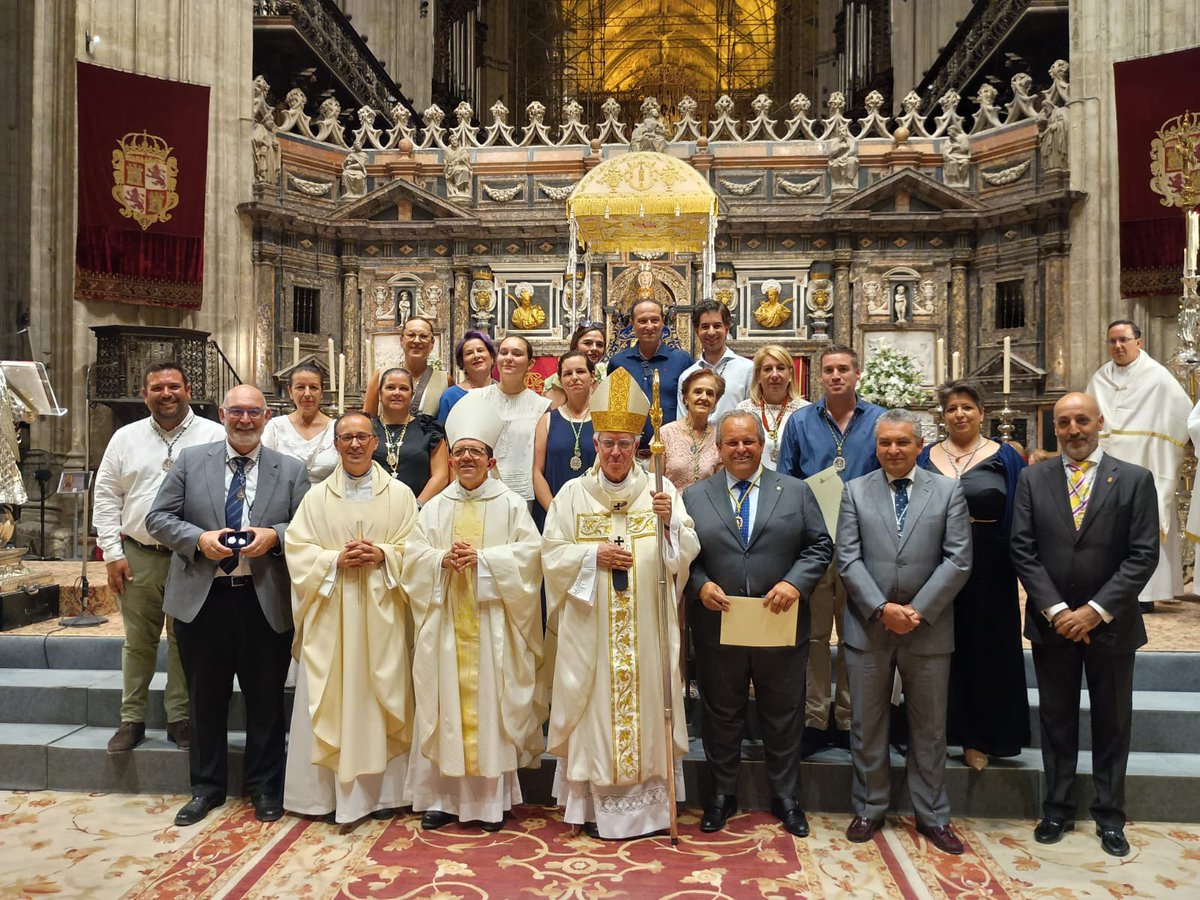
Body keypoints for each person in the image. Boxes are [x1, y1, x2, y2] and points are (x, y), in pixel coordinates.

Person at [542, 367, 700, 839]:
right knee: (593, 705)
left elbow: (685, 552)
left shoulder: (660, 491)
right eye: (608, 442)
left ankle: (649, 812)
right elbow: (551, 554)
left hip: (646, 629)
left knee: (650, 703)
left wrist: (671, 524)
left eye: (625, 444)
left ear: (638, 447)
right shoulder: (572, 495)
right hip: (591, 630)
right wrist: (593, 555)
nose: (615, 452)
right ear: (595, 442)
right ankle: (592, 809)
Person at [145, 385, 309, 827]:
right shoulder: (191, 461)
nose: (245, 420)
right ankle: (206, 789)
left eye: (254, 412)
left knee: (266, 703)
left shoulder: (291, 469)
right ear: (222, 414)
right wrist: (198, 540)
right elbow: (157, 518)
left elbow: (306, 527)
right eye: (236, 411)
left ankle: (264, 788)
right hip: (204, 600)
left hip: (263, 601)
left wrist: (275, 535)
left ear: (266, 415)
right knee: (205, 700)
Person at [1010, 392, 1158, 858]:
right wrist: (1056, 610)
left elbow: (1142, 554)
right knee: (1056, 719)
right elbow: (1022, 549)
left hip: (1111, 625)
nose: (1074, 430)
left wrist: (1095, 609)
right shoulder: (1034, 479)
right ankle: (1057, 809)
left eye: (1082, 421)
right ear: (1055, 428)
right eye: (1064, 422)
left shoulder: (1134, 479)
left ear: (1100, 423)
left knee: (1113, 723)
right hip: (1052, 624)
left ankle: (1110, 816)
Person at [683, 411, 833, 836]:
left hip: (778, 620)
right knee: (721, 713)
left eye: (748, 441)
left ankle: (786, 798)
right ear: (718, 448)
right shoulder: (695, 496)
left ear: (762, 444)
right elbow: (681, 553)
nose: (741, 449)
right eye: (731, 443)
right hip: (719, 623)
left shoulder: (797, 492)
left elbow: (820, 545)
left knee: (783, 713)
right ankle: (721, 795)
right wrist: (700, 585)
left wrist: (795, 583)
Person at [401, 393, 545, 832]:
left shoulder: (511, 505)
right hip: (445, 623)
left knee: (490, 710)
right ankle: (441, 799)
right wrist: (440, 561)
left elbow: (531, 557)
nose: (466, 459)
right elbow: (412, 556)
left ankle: (489, 802)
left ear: (491, 460)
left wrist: (484, 562)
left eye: (475, 452)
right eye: (459, 451)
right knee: (443, 706)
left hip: (492, 627)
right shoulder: (435, 507)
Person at [836, 409, 972, 855]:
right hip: (868, 627)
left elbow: (958, 560)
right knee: (867, 724)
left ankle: (932, 814)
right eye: (884, 443)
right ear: (875, 447)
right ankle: (870, 807)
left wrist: (916, 610)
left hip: (927, 628)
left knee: (930, 729)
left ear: (919, 446)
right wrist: (880, 608)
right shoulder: (855, 492)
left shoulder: (948, 491)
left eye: (901, 443)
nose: (892, 450)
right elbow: (848, 559)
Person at [283, 411, 419, 823]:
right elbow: (297, 549)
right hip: (332, 615)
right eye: (346, 438)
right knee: (330, 696)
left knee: (382, 693)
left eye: (362, 437)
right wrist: (333, 559)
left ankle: (383, 795)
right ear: (336, 444)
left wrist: (384, 554)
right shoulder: (316, 497)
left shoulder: (400, 495)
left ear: (375, 442)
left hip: (384, 614)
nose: (355, 445)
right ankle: (323, 797)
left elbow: (417, 548)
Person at [93, 361, 224, 754]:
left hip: (192, 556)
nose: (166, 394)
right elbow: (105, 496)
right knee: (138, 642)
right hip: (139, 554)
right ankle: (131, 719)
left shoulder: (214, 435)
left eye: (173, 387)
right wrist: (112, 553)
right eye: (156, 388)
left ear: (188, 390)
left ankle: (179, 719)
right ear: (145, 393)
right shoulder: (125, 437)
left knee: (186, 640)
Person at [777, 344, 885, 754]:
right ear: (818, 377)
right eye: (828, 370)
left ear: (858, 374)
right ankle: (815, 719)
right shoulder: (801, 422)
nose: (835, 376)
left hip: (866, 545)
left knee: (859, 636)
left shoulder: (878, 421)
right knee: (816, 636)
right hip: (816, 545)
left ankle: (853, 718)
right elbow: (787, 482)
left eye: (843, 369)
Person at [919, 381, 1029, 771]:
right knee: (937, 651)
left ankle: (980, 737)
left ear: (982, 413)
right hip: (934, 565)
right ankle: (935, 733)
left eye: (967, 407)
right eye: (952, 409)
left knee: (985, 650)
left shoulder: (1006, 457)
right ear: (942, 416)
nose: (960, 415)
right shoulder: (925, 457)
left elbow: (1021, 511)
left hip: (989, 567)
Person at [1086, 319, 1190, 612]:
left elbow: (1184, 417)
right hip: (1106, 470)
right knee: (1105, 528)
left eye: (1123, 340)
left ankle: (1145, 595)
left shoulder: (1157, 377)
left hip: (1148, 466)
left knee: (1144, 526)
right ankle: (1105, 592)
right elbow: (1086, 416)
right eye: (1112, 341)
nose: (1117, 346)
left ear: (1138, 342)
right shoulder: (1099, 379)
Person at [608, 297, 693, 445]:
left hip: (673, 450)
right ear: (632, 324)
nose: (649, 326)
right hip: (631, 452)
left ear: (663, 322)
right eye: (642, 321)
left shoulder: (682, 361)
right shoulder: (618, 363)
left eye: (655, 320)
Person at [478, 335, 550, 505]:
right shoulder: (477, 398)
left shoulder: (542, 406)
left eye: (517, 354)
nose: (509, 358)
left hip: (524, 495)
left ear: (530, 363)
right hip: (482, 491)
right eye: (504, 352)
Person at [533, 351, 596, 529]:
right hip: (553, 513)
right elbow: (537, 472)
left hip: (594, 515)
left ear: (592, 376)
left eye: (580, 371)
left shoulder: (603, 420)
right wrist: (554, 510)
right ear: (560, 380)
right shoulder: (547, 420)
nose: (574, 377)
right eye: (568, 373)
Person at [370, 368, 449, 506]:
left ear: (411, 395)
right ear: (380, 394)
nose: (396, 393)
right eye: (390, 387)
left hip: (418, 512)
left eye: (403, 388)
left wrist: (416, 506)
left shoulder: (428, 428)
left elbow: (441, 475)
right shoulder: (367, 429)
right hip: (373, 509)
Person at [676, 300, 753, 421]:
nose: (711, 332)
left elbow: (752, 417)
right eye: (705, 327)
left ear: (726, 329)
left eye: (717, 326)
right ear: (697, 331)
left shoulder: (747, 369)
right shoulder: (686, 376)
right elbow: (682, 424)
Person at [261, 364, 337, 484]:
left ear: (322, 392)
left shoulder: (336, 429)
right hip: (285, 500)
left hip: (326, 500)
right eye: (300, 387)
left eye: (313, 387)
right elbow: (264, 469)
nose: (307, 394)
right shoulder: (275, 427)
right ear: (290, 392)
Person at [736, 345, 809, 469]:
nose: (774, 375)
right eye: (768, 369)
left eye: (780, 368)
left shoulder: (806, 412)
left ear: (790, 374)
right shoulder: (744, 410)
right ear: (758, 375)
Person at [365, 317, 450, 419]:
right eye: (411, 335)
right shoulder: (381, 375)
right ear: (401, 340)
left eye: (423, 336)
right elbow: (368, 421)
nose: (417, 341)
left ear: (432, 343)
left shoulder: (444, 380)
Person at [661, 369, 724, 491]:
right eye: (698, 392)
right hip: (670, 507)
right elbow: (654, 483)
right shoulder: (665, 434)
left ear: (715, 402)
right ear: (685, 398)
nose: (704, 397)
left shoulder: (720, 438)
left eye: (710, 393)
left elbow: (720, 487)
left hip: (706, 508)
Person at [437, 330, 496, 424]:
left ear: (492, 358)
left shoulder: (504, 392)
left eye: (480, 350)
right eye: (469, 353)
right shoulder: (450, 396)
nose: (476, 356)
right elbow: (440, 434)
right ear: (462, 363)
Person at [542, 322, 607, 405]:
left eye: (599, 345)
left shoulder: (605, 373)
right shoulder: (557, 380)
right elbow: (555, 415)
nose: (594, 348)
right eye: (587, 343)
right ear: (575, 346)